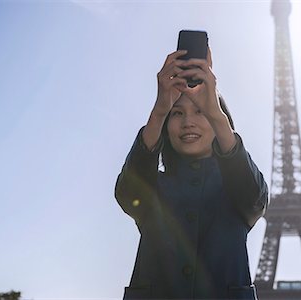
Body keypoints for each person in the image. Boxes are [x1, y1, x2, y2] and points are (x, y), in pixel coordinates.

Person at [115, 47, 268, 300]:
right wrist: (160, 109)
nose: (188, 122)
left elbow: (256, 197)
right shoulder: (153, 189)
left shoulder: (237, 189)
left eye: (200, 111)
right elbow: (127, 193)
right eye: (177, 113)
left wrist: (216, 112)